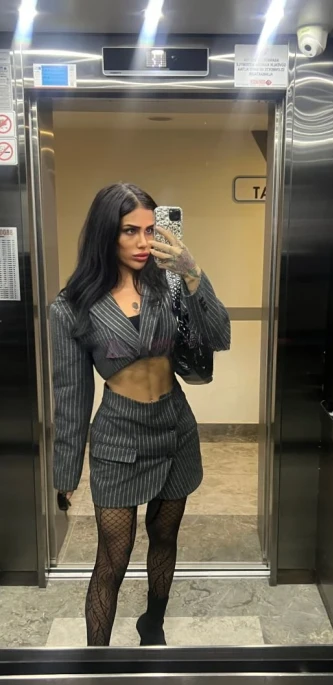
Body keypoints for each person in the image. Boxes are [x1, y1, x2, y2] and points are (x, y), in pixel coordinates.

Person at [50, 183, 230, 647]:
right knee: (113, 556)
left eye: (150, 230)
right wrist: (66, 470)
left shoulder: (166, 285)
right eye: (130, 230)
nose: (143, 242)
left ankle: (153, 627)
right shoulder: (72, 306)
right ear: (105, 233)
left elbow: (218, 335)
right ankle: (97, 660)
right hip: (118, 435)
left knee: (165, 537)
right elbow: (71, 392)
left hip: (175, 428)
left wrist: (193, 273)